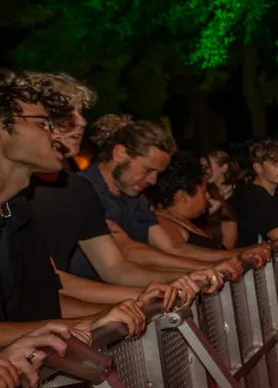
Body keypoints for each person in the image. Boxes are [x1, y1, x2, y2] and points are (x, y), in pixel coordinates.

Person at [0, 68, 145, 348]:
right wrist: (82, 324)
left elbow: (42, 305)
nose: (55, 135)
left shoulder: (17, 209)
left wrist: (113, 311)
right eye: (43, 124)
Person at [24, 72, 202, 311]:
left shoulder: (79, 189)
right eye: (67, 115)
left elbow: (114, 267)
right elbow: (50, 286)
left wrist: (170, 285)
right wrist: (129, 303)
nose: (82, 122)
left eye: (80, 113)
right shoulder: (16, 191)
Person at [77, 115, 260, 282]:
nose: (153, 181)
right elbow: (129, 252)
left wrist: (237, 256)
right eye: (147, 170)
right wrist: (204, 269)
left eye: (157, 173)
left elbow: (173, 248)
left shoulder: (135, 195)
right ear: (119, 153)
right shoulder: (85, 191)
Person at [149, 152, 226, 250]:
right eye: (204, 192)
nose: (208, 196)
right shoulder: (165, 226)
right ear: (182, 196)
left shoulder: (185, 222)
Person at [200, 150, 240, 248]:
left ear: (224, 167)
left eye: (208, 167)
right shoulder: (206, 193)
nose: (205, 171)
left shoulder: (240, 191)